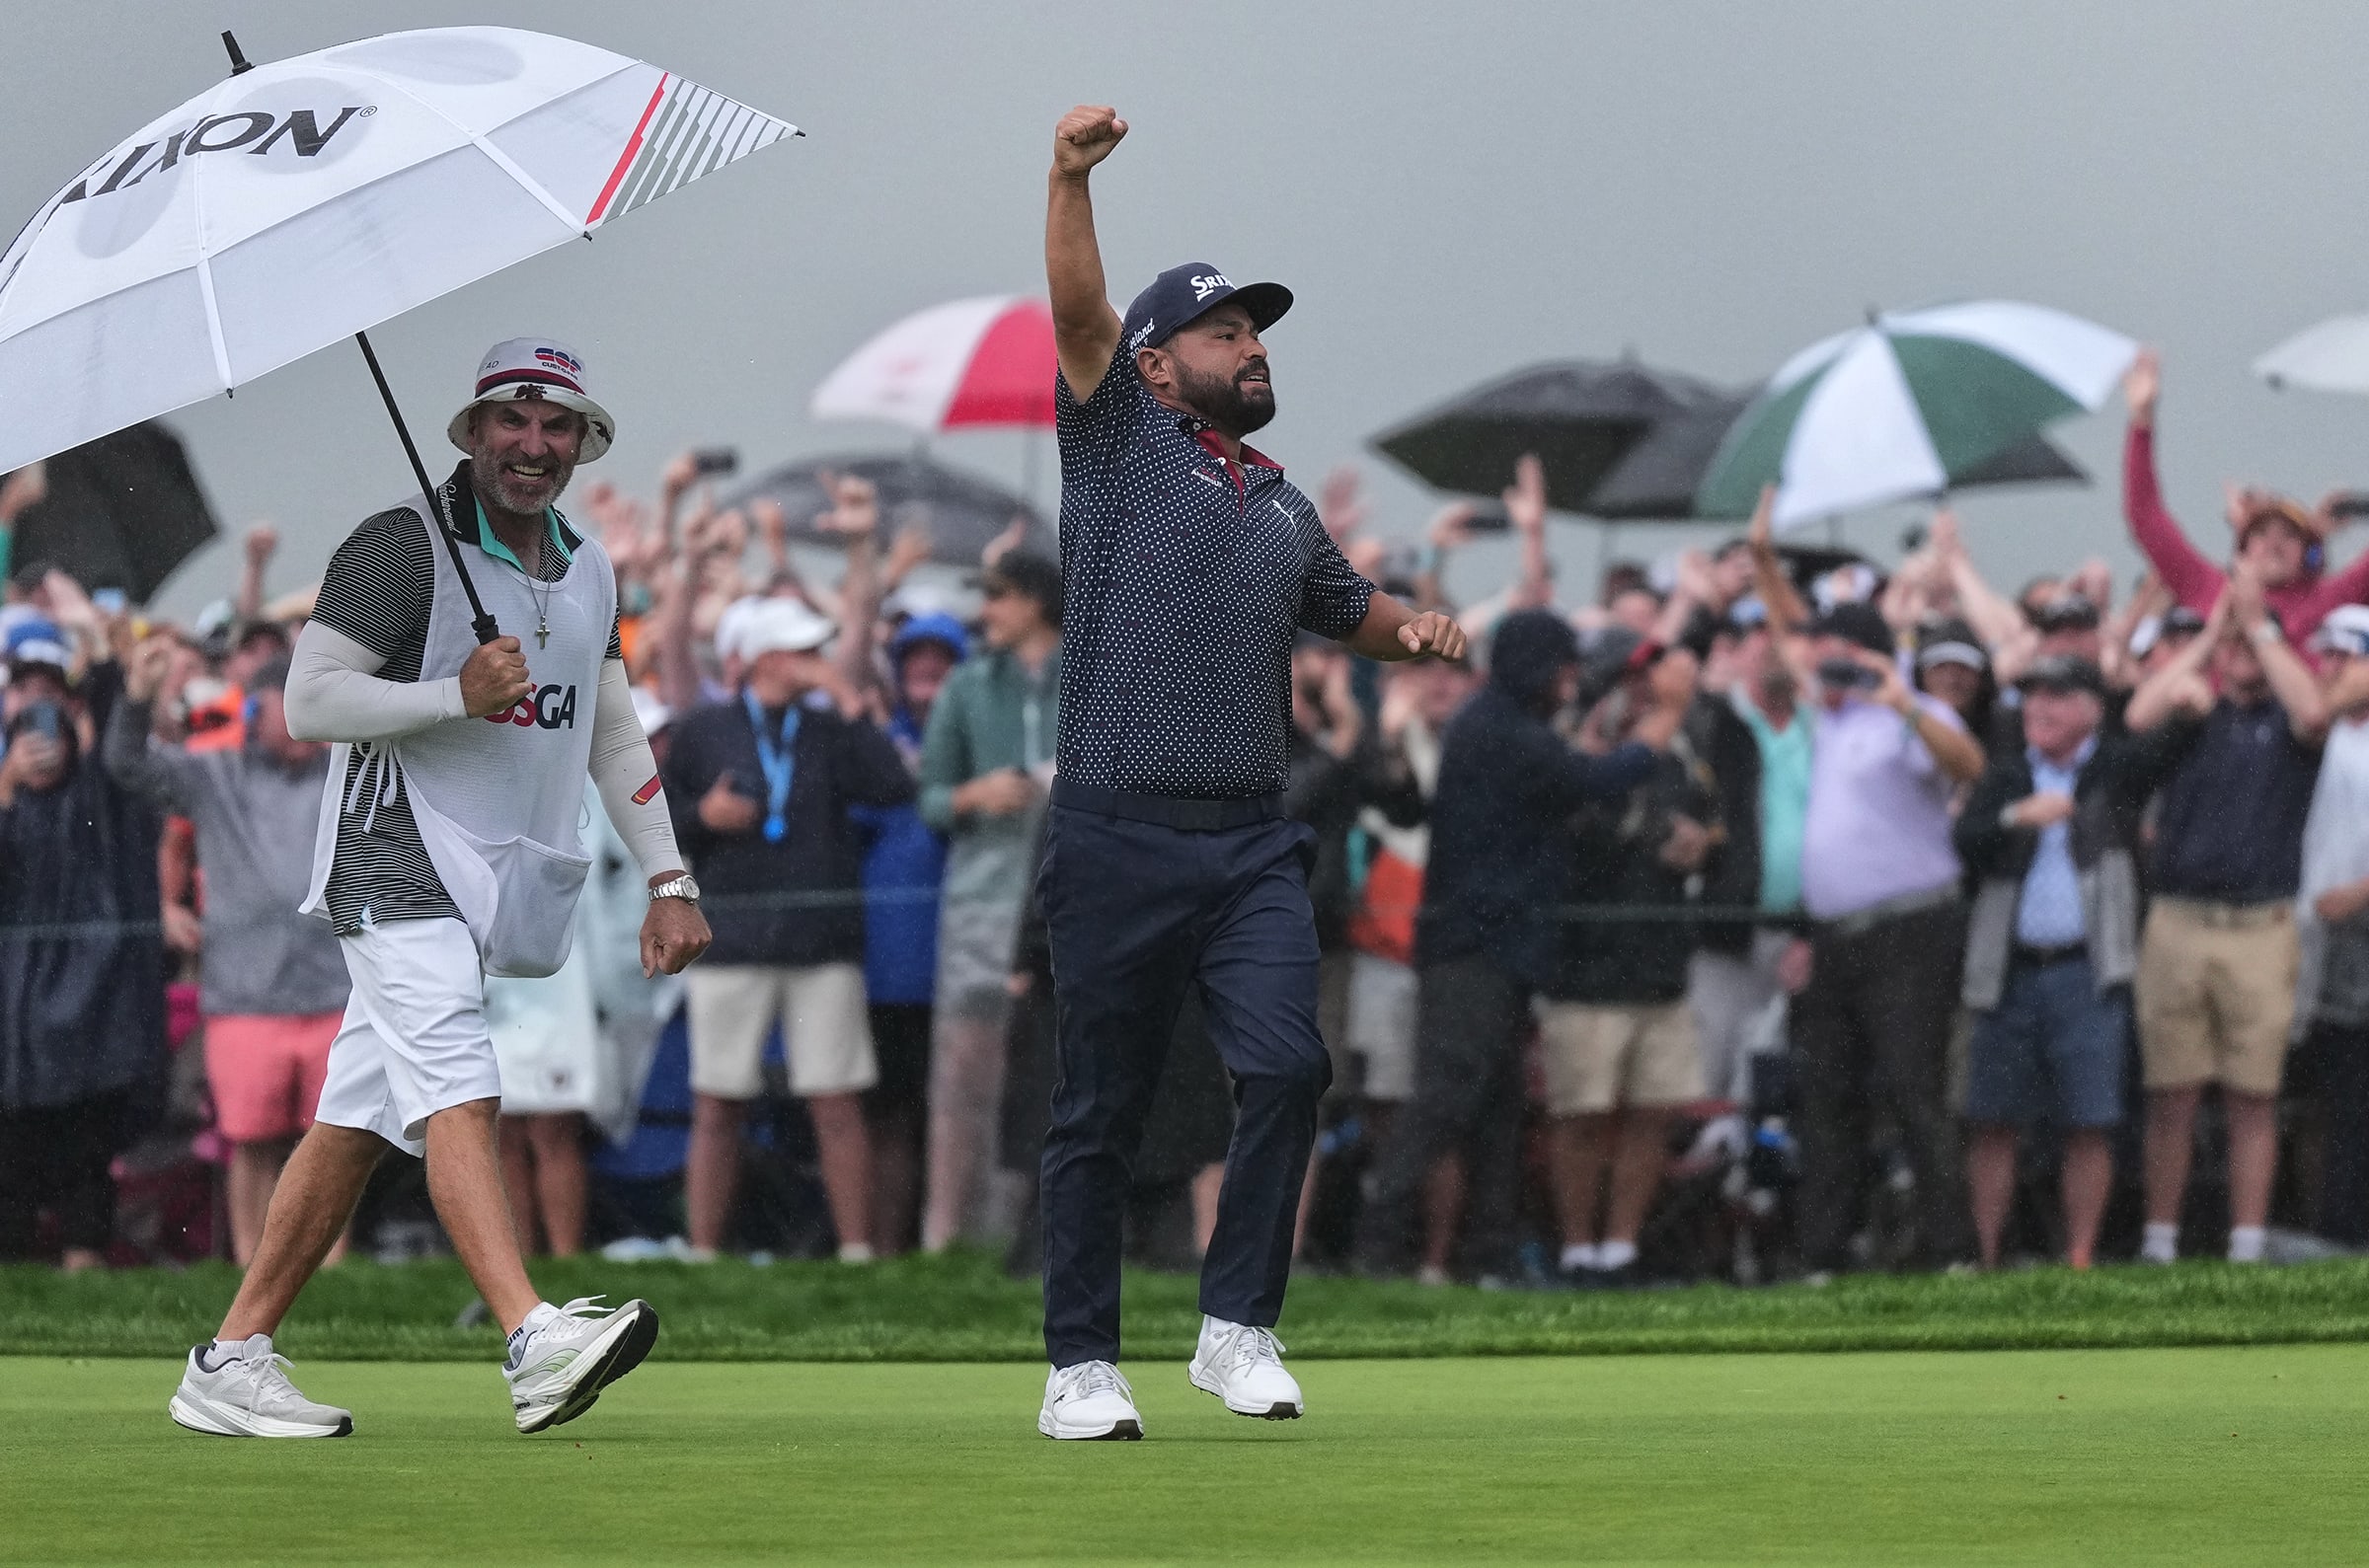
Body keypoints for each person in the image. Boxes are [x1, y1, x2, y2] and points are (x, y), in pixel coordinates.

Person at [169, 338, 711, 1440]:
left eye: (555, 425)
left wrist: (669, 873)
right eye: (511, 420)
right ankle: (529, 1337)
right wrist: (450, 693)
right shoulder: (397, 545)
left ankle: (230, 1358)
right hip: (392, 850)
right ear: (471, 434)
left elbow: (608, 724)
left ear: (582, 441)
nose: (533, 443)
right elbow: (306, 703)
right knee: (461, 1078)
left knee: (357, 1116)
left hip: (495, 873)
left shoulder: (592, 565)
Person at [1033, 105, 1467, 1441]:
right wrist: (1068, 177)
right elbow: (1079, 308)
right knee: (1099, 1109)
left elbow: (1354, 613)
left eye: (1258, 330)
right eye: (1227, 331)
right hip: (1115, 830)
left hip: (1248, 843)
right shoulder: (1118, 445)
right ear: (1160, 367)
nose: (1253, 345)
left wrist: (1424, 630)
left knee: (1286, 1069)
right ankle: (1081, 1368)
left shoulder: (1281, 499)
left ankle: (1235, 1331)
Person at [1353, 612, 1689, 1284]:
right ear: (1536, 666)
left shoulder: (1503, 721)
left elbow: (1570, 743)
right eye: (1562, 667)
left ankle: (1491, 1250)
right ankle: (1379, 1242)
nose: (1570, 681)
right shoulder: (1501, 730)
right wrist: (1666, 720)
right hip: (1471, 949)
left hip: (1498, 950)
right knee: (1447, 1096)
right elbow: (1596, 779)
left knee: (1499, 1111)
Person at [1754, 489, 1988, 1274]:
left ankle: (1954, 1250)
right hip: (1836, 936)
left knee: (1915, 1089)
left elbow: (1970, 768)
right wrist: (1760, 556)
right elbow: (1788, 634)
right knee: (1828, 1097)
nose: (1820, 666)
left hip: (1909, 928)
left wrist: (1904, 703)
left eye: (1836, 658)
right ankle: (1825, 1251)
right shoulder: (1829, 715)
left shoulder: (1909, 712)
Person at [663, 598, 916, 1263]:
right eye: (804, 652)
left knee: (836, 1098)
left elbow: (892, 787)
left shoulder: (830, 728)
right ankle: (703, 1251)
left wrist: (851, 702)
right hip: (732, 938)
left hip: (821, 940)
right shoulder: (702, 728)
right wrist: (704, 814)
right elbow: (660, 821)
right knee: (718, 1100)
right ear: (767, 659)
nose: (817, 662)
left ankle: (857, 1251)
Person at [105, 648, 347, 1267]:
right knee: (252, 1144)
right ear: (254, 711)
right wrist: (135, 696)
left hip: (337, 995)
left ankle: (334, 1269)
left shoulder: (345, 771)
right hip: (245, 1000)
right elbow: (125, 762)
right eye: (286, 708)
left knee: (334, 1145)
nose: (300, 722)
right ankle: (251, 1265)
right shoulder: (215, 776)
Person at [2124, 572, 2328, 1263]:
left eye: (2252, 637)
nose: (2241, 649)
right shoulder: (2194, 711)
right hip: (2179, 919)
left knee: (2252, 1096)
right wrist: (2212, 634)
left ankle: (2245, 1246)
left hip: (2260, 926)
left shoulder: (2290, 722)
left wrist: (2263, 629)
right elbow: (2136, 715)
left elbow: (2315, 711)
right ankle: (2159, 1242)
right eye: (2234, 638)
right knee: (2172, 1095)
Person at [1535, 629, 1718, 1287]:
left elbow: (1706, 819)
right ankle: (1577, 1249)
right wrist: (1652, 837)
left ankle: (1621, 1249)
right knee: (1581, 1113)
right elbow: (1585, 831)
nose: (1646, 689)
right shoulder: (1569, 747)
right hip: (1584, 967)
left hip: (1659, 961)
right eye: (1635, 677)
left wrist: (1697, 843)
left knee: (1652, 1111)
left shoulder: (1679, 753)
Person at [1952, 656, 2148, 1270]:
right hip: (2007, 972)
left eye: (2056, 696)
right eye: (2032, 697)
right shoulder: (2007, 777)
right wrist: (2017, 816)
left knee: (2089, 1122)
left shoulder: (2113, 771)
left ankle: (2081, 1258)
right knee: (1992, 1120)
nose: (2039, 708)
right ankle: (1985, 1259)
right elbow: (1964, 844)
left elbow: (2166, 737)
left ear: (2092, 709)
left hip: (2087, 971)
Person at [0, 631, 165, 1270]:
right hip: (14, 1042)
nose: (40, 753)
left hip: (86, 1034)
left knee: (82, 1170)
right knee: (9, 1172)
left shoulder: (96, 809)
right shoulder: (10, 814)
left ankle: (82, 1273)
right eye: (25, 738)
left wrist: (102, 662)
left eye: (51, 736)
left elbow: (115, 751)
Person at [916, 549, 1062, 1253]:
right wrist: (977, 794)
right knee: (964, 1070)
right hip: (980, 903)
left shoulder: (1095, 678)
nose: (987, 609)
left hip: (1065, 908)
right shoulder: (966, 685)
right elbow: (932, 799)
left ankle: (1024, 1239)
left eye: (999, 595)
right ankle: (947, 1240)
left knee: (1046, 1074)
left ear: (1036, 599)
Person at [2121, 349, 2369, 642]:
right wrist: (2142, 421)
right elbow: (2146, 518)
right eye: (2261, 533)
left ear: (2308, 551)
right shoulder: (2210, 589)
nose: (2274, 543)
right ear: (2242, 550)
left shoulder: (2330, 599)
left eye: (2289, 535)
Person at [2298, 607, 2369, 1242]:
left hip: (2358, 920)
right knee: (2342, 1095)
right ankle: (2340, 1235)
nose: (2332, 670)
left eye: (2346, 658)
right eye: (2328, 658)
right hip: (2329, 943)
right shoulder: (2328, 732)